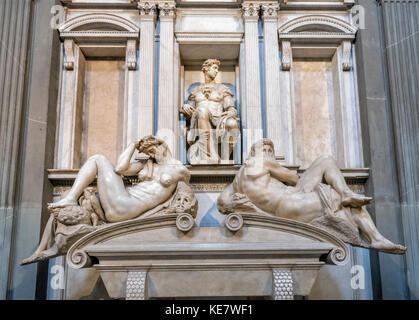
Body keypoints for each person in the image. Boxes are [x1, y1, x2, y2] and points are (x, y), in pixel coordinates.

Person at [218, 139, 407, 254]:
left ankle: (347, 197)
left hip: (284, 207)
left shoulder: (235, 182)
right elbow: (293, 178)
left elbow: (222, 203)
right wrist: (309, 181)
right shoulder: (263, 161)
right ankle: (373, 235)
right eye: (265, 150)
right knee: (327, 163)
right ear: (255, 153)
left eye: (270, 151)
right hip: (292, 202)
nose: (268, 154)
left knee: (328, 170)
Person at [48, 135, 190, 222]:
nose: (152, 155)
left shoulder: (180, 170)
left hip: (128, 208)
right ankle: (71, 198)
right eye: (149, 153)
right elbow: (120, 169)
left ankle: (71, 198)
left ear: (162, 145)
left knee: (98, 159)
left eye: (153, 150)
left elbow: (186, 195)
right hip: (123, 201)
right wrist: (133, 145)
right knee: (97, 159)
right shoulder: (146, 165)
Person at [180, 59, 240, 164]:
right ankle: (212, 155)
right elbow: (190, 112)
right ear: (206, 69)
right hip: (200, 121)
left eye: (217, 69)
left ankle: (225, 158)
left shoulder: (223, 89)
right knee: (202, 111)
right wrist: (185, 108)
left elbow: (231, 108)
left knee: (232, 123)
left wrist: (231, 112)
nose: (216, 71)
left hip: (218, 119)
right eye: (214, 68)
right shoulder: (195, 90)